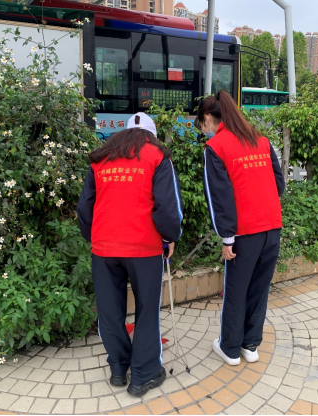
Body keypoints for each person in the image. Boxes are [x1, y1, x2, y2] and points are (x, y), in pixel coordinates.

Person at [77, 113, 184, 397]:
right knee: (147, 311)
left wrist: (95, 237)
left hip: (104, 248)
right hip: (144, 247)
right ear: (151, 135)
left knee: (110, 312)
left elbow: (85, 207)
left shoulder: (101, 158)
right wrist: (170, 237)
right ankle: (143, 375)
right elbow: (168, 207)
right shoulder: (158, 156)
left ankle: (118, 367)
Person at [198, 90, 285, 366]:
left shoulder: (216, 146)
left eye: (202, 123)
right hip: (272, 227)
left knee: (236, 291)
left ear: (208, 117)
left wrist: (227, 238)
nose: (203, 129)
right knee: (259, 289)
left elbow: (219, 197)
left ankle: (231, 348)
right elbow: (279, 184)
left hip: (243, 234)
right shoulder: (260, 139)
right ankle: (251, 345)